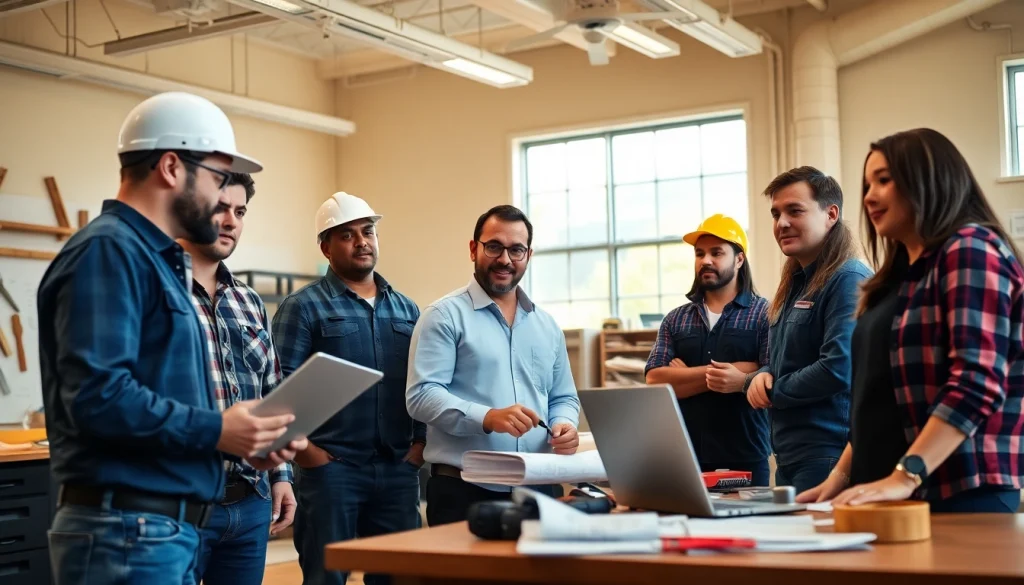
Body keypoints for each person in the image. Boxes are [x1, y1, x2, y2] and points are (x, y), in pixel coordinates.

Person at [37, 91, 305, 585]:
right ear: (170, 167)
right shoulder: (110, 252)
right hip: (128, 532)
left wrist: (242, 443)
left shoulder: (151, 262)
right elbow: (98, 398)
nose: (221, 199)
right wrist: (218, 430)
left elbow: (159, 405)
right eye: (216, 179)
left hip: (155, 531)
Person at [797, 128, 1024, 513]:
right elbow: (877, 397)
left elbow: (976, 381)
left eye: (884, 180)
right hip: (889, 491)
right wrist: (837, 480)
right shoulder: (895, 278)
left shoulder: (971, 248)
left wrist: (905, 475)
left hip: (957, 491)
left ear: (929, 178)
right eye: (867, 183)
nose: (869, 195)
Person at [272, 192, 424, 585]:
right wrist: (307, 454)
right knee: (326, 579)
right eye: (347, 235)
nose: (362, 241)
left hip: (397, 468)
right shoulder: (303, 307)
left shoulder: (407, 310)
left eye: (368, 231)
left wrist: (420, 445)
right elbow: (280, 388)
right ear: (325, 246)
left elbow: (424, 382)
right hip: (331, 471)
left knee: (399, 577)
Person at [406, 204, 582, 526]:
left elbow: (563, 397)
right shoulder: (443, 316)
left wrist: (565, 425)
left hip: (539, 487)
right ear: (474, 249)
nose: (505, 259)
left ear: (528, 255)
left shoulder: (547, 325)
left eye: (516, 250)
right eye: (494, 247)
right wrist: (487, 417)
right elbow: (421, 395)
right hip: (463, 490)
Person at [179, 173, 296, 585]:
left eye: (240, 211)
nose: (230, 221)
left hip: (251, 502)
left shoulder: (249, 301)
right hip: (181, 506)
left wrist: (282, 478)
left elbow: (272, 393)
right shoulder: (159, 292)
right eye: (220, 208)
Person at [746, 166, 872, 494]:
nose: (782, 223)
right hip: (789, 456)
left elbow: (838, 367)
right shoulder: (794, 284)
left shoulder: (847, 279)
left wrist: (774, 391)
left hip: (828, 456)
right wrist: (764, 373)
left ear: (831, 214)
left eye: (794, 210)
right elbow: (786, 358)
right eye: (776, 214)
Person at [645, 214, 771, 486]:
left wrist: (685, 376)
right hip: (686, 456)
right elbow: (655, 380)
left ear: (739, 259)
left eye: (717, 253)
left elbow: (769, 373)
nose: (706, 261)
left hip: (746, 455)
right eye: (699, 254)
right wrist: (735, 373)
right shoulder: (675, 319)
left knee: (749, 528)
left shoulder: (764, 313)